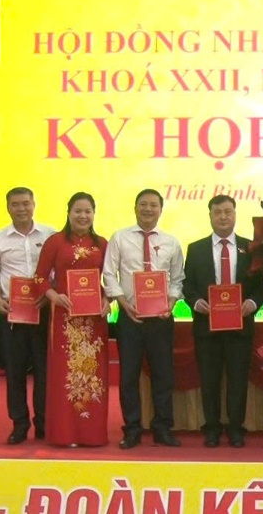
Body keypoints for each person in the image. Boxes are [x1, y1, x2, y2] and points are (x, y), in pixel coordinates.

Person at [182, 195, 263, 448]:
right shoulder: (195, 249)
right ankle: (212, 428)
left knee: (238, 381)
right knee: (209, 381)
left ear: (235, 214)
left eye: (227, 212)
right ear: (210, 216)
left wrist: (251, 304)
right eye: (217, 212)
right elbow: (187, 286)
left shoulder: (250, 248)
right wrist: (197, 303)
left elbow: (261, 288)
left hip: (240, 328)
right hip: (206, 328)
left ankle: (236, 428)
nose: (223, 217)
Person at [104, 189, 186, 449]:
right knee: (128, 377)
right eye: (143, 204)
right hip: (130, 318)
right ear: (135, 208)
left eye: (153, 205)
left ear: (161, 210)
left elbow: (178, 278)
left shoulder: (171, 242)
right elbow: (109, 274)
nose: (148, 209)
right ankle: (132, 429)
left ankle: (163, 428)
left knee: (163, 375)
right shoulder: (119, 237)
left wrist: (172, 301)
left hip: (161, 319)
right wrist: (122, 302)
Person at [35, 192, 111, 447]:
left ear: (94, 214)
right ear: (68, 213)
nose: (83, 216)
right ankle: (64, 434)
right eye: (78, 211)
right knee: (65, 376)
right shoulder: (55, 242)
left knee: (92, 376)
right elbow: (40, 277)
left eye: (87, 211)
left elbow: (110, 280)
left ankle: (92, 434)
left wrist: (108, 300)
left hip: (93, 322)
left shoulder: (102, 244)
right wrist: (54, 296)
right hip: (64, 319)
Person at [0, 187, 55, 444]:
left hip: (43, 311)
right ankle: (19, 424)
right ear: (8, 207)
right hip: (11, 313)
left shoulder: (50, 235)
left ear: (34, 204)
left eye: (26, 203)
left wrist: (48, 294)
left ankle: (43, 423)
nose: (21, 208)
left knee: (44, 371)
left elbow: (56, 272)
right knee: (14, 372)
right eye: (15, 204)